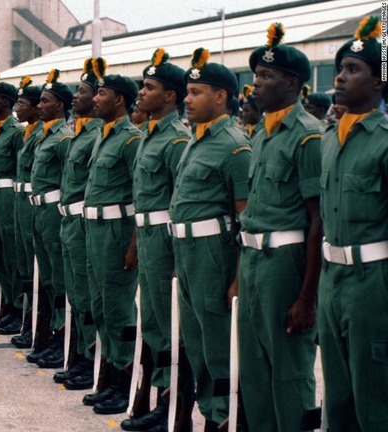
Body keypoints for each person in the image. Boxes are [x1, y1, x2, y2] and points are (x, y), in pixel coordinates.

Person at [239, 23, 322, 431]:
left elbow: (318, 219)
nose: (256, 84)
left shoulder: (307, 136)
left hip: (285, 263)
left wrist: (307, 297)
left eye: (266, 77)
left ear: (293, 84)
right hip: (254, 260)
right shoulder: (262, 135)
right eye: (256, 76)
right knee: (254, 370)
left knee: (289, 369)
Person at [169, 48, 251, 430]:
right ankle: (207, 414)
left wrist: (237, 277)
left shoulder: (235, 145)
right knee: (196, 343)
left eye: (197, 92)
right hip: (186, 254)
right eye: (187, 91)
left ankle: (223, 419)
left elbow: (245, 219)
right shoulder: (195, 141)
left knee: (218, 345)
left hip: (213, 255)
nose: (187, 99)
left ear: (221, 96)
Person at [319, 16, 388, 430]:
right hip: (333, 279)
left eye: (353, 70)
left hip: (374, 282)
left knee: (374, 390)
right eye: (339, 68)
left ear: (379, 83)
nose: (340, 78)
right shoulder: (329, 140)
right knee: (338, 392)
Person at [123, 48, 194, 432]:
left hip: (167, 243)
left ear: (170, 96)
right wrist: (135, 242)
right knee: (152, 323)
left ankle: (174, 405)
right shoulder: (150, 135)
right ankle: (159, 398)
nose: (141, 93)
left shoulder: (177, 140)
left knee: (172, 327)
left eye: (149, 87)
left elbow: (178, 203)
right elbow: (142, 199)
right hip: (148, 238)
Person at [81, 60, 142, 416]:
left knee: (119, 309)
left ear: (119, 100)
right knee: (101, 307)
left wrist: (134, 244)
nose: (95, 98)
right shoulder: (103, 137)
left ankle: (125, 383)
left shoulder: (131, 139)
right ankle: (110, 377)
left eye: (102, 93)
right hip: (94, 230)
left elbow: (140, 194)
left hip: (118, 233)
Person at [55, 58, 102, 390]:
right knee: (77, 294)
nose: (77, 96)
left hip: (91, 225)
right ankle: (84, 357)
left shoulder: (99, 136)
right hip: (70, 221)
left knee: (90, 298)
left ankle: (94, 361)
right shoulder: (80, 134)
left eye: (83, 91)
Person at [26, 70, 74, 371]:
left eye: (45, 101)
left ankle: (61, 336)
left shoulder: (63, 138)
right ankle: (53, 333)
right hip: (38, 211)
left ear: (60, 105)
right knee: (47, 277)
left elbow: (70, 180)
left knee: (58, 279)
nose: (38, 105)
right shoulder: (43, 135)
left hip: (55, 213)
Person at [0, 72, 24, 335]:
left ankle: (18, 310)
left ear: (7, 103)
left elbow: (21, 169)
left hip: (9, 199)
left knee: (12, 258)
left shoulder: (15, 131)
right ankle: (8, 307)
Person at [10, 76, 43, 348]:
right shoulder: (27, 133)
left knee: (39, 270)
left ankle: (43, 329)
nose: (17, 108)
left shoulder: (48, 135)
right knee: (22, 265)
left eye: (23, 103)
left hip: (38, 204)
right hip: (20, 201)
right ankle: (27, 321)